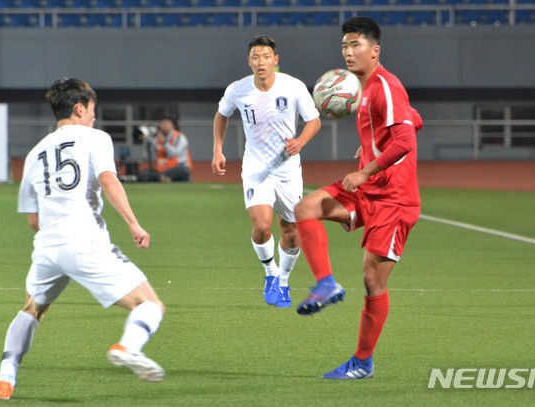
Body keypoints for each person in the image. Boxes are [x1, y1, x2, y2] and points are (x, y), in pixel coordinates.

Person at [0, 78, 166, 400]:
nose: (94, 116)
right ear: (80, 108)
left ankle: (4, 381)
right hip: (85, 241)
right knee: (149, 304)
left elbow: (32, 219)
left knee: (31, 310)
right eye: (93, 110)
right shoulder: (95, 137)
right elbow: (109, 181)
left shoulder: (34, 153)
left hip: (47, 248)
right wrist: (134, 224)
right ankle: (128, 347)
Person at [294, 17, 423, 380]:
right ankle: (325, 284)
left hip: (394, 199)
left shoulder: (385, 85)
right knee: (305, 207)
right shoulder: (362, 88)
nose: (348, 52)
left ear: (374, 50)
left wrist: (367, 169)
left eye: (356, 45)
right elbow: (414, 121)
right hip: (368, 190)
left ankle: (362, 362)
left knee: (372, 282)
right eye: (344, 47)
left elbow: (407, 140)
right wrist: (371, 144)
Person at [212, 35, 321, 308]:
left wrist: (301, 141)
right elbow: (222, 114)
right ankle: (270, 273)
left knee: (291, 231)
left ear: (276, 60)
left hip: (287, 171)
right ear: (249, 61)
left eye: (266, 57)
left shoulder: (293, 87)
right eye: (256, 57)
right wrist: (217, 149)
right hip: (256, 169)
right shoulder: (238, 89)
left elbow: (314, 120)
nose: (261, 62)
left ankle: (284, 281)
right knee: (261, 226)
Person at [138, 118, 193, 183]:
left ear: (173, 125)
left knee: (183, 170)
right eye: (163, 124)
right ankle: (161, 177)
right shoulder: (158, 139)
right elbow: (147, 154)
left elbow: (174, 154)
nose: (164, 126)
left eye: (167, 124)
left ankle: (160, 177)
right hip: (165, 169)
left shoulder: (179, 137)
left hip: (180, 168)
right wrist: (149, 139)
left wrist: (164, 142)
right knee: (144, 173)